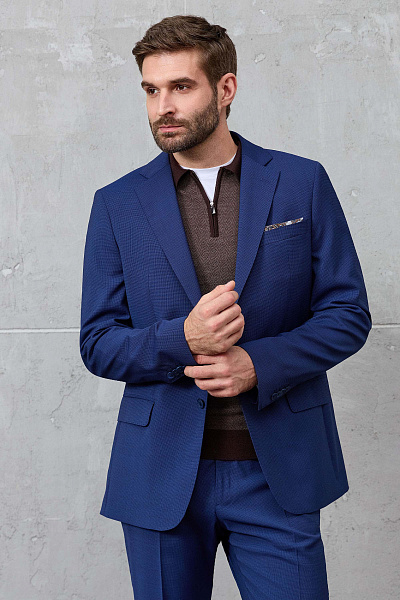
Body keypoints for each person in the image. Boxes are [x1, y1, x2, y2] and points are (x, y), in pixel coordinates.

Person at [79, 14, 372, 600]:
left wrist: (259, 364)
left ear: (226, 88)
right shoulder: (117, 203)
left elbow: (348, 313)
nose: (162, 106)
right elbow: (98, 342)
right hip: (160, 475)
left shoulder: (301, 182)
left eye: (181, 87)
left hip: (278, 471)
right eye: (151, 90)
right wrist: (182, 340)